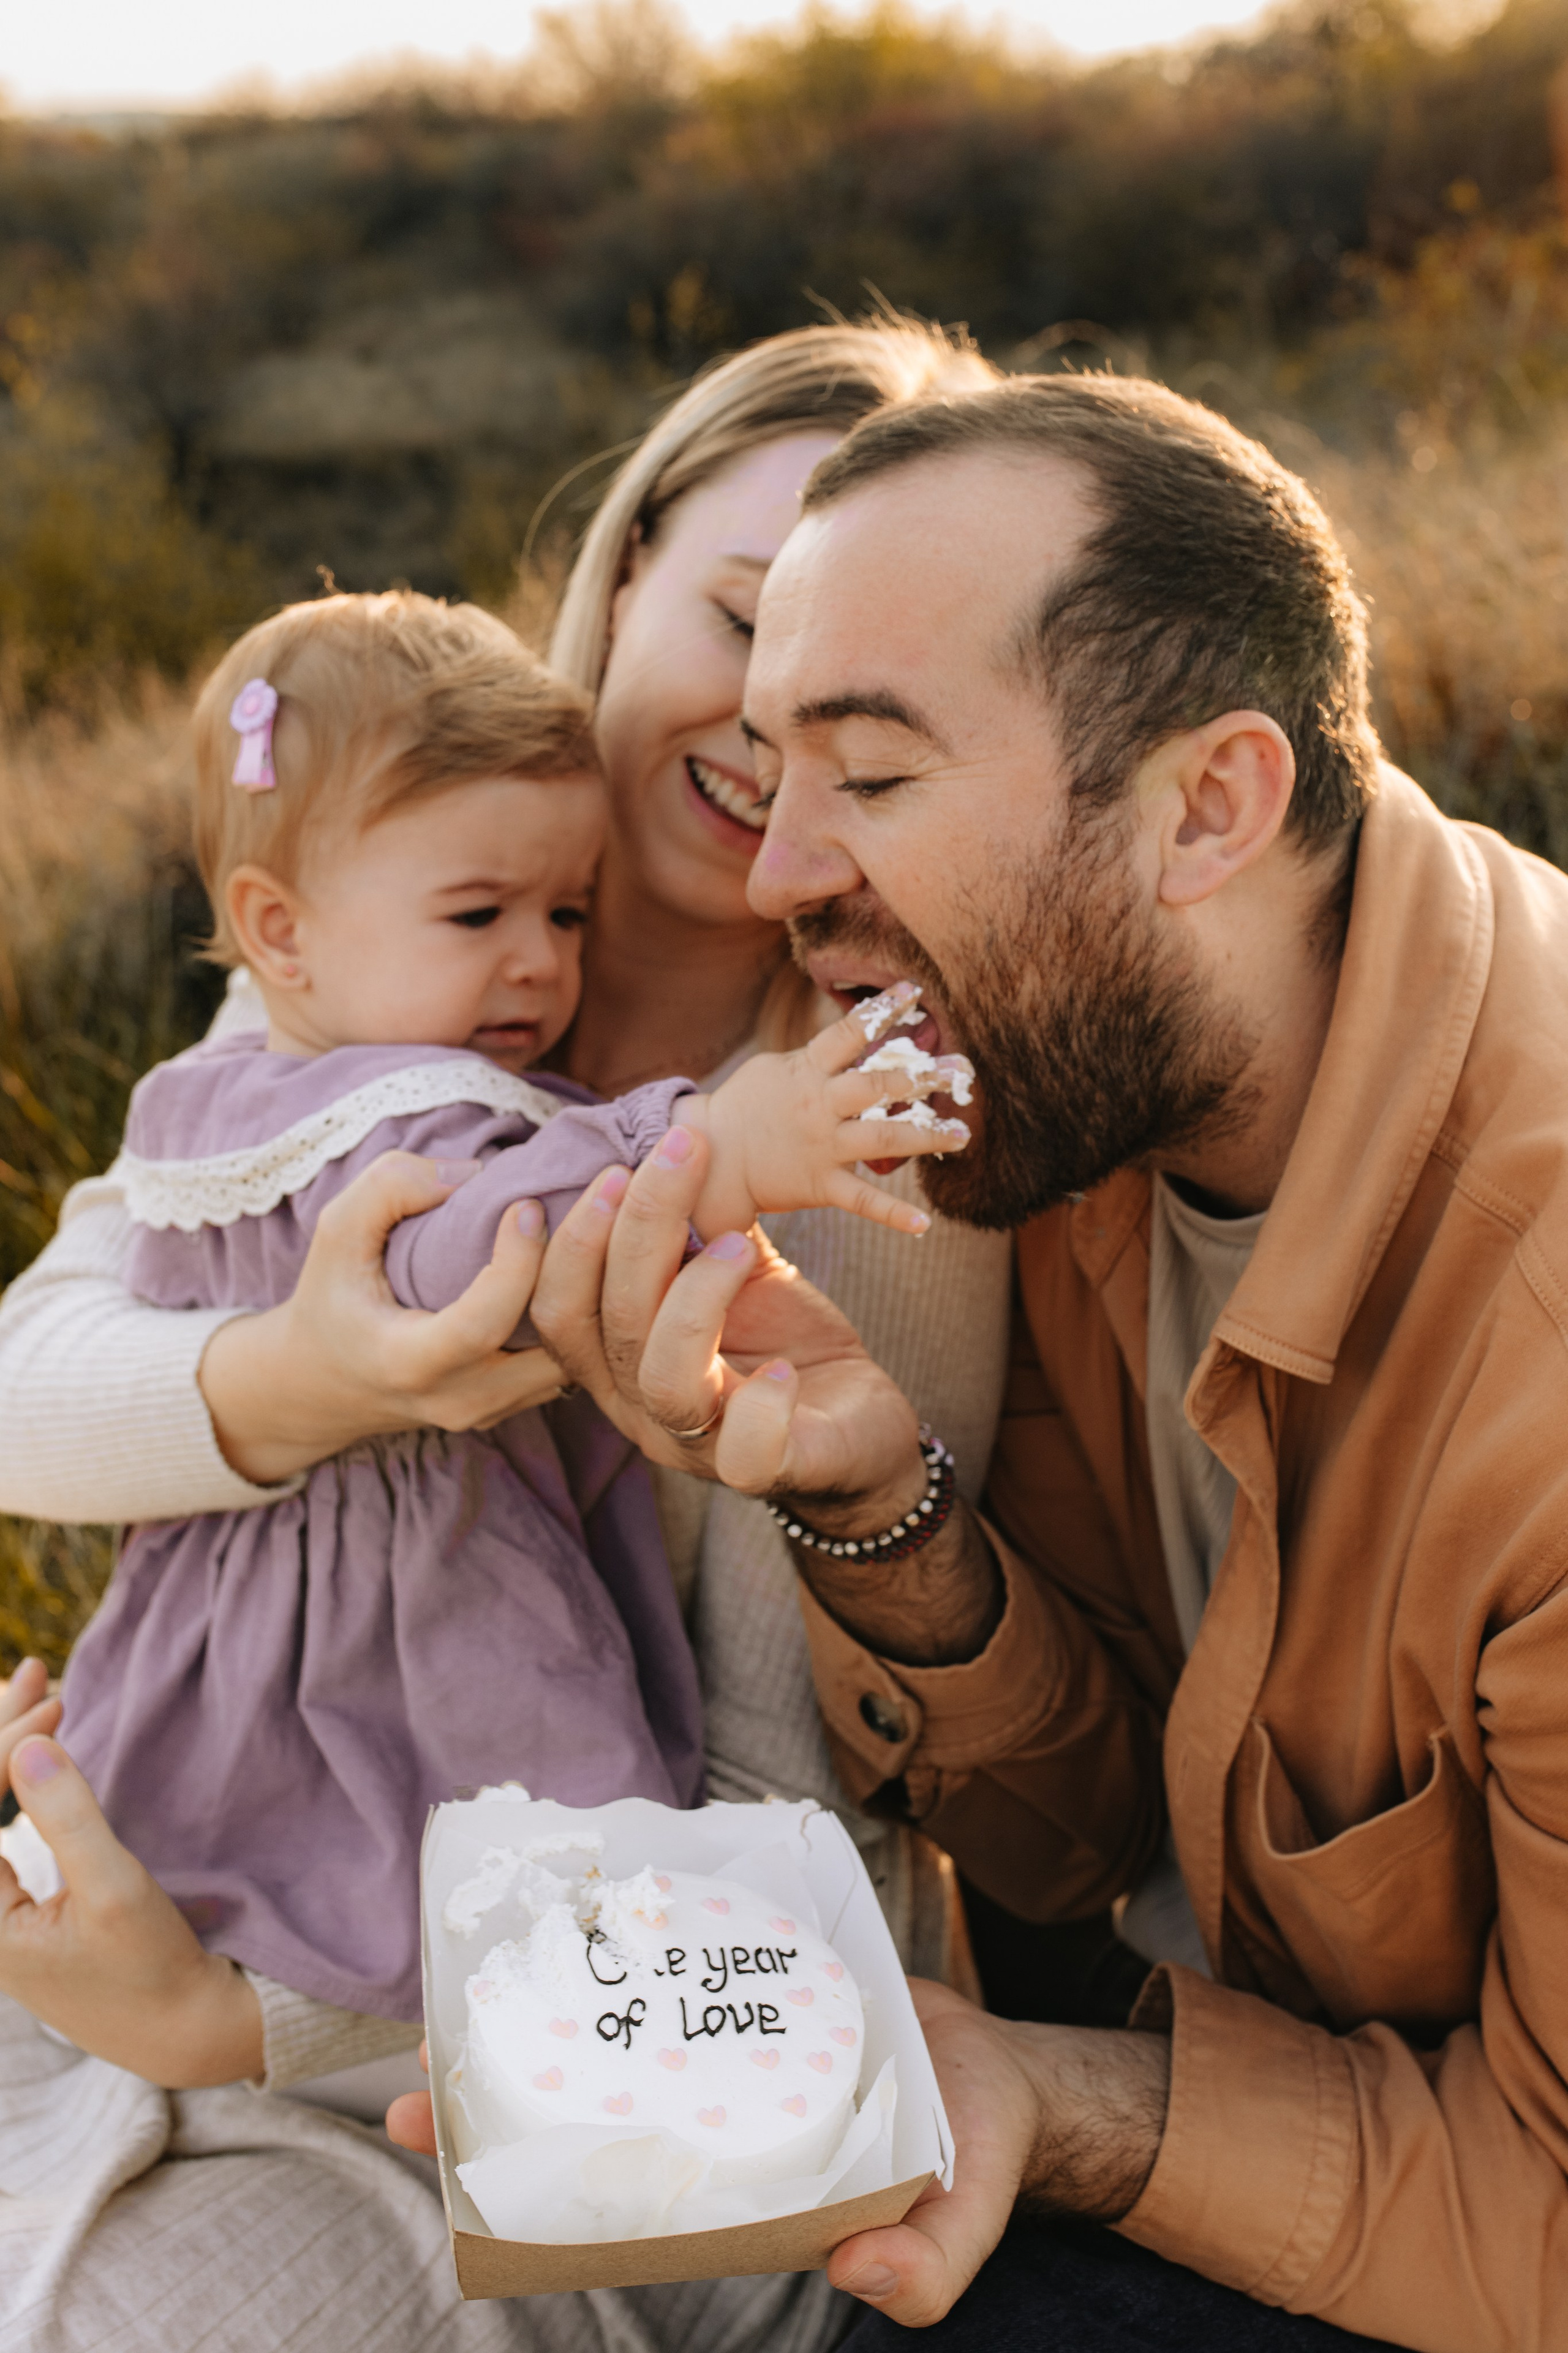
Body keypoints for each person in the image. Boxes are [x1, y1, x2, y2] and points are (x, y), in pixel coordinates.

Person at [488, 371, 1568, 2353]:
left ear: (1211, 807)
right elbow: (1100, 1831)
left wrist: (1032, 2096)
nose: (774, 877)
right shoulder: (1077, 1110)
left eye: (873, 778)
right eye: (770, 766)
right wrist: (876, 1501)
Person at [0, 319, 1003, 2353]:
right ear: (622, 567)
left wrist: (235, 2014)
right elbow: (34, 1383)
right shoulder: (369, 946)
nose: (776, 726)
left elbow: (755, 1834)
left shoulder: (881, 1146)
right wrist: (289, 1384)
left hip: (617, 2056)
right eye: (743, 615)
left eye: (871, 706)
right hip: (214, 1905)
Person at [39, 586, 963, 2075]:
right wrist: (729, 1146)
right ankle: (623, 2074)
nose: (536, 959)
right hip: (421, 1593)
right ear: (280, 932)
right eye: (479, 915)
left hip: (238, 1612)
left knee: (255, 1840)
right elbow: (480, 1249)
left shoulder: (210, 1102)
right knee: (542, 1843)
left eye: (565, 912)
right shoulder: (396, 1110)